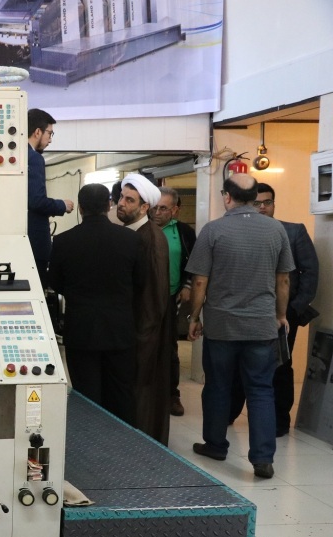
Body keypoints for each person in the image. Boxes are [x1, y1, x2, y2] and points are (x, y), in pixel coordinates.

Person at [185, 173, 294, 480]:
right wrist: (280, 315)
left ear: (227, 197)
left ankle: (215, 445)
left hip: (222, 326)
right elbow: (283, 279)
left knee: (218, 386)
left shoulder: (213, 230)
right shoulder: (275, 229)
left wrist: (194, 317)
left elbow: (200, 281)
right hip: (261, 326)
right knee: (261, 390)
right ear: (254, 197)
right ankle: (263, 459)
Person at [228, 182, 319, 435]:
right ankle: (230, 412)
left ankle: (279, 421)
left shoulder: (294, 232)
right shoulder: (238, 231)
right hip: (245, 312)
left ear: (274, 204)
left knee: (280, 367)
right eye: (256, 203)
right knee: (239, 364)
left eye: (267, 202)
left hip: (283, 315)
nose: (262, 207)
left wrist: (293, 309)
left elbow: (310, 272)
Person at [50, 183, 143, 424]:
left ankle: (90, 440)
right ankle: (124, 439)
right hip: (120, 329)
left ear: (80, 208)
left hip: (81, 329)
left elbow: (56, 283)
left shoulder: (63, 241)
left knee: (86, 396)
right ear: (109, 205)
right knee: (121, 393)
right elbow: (140, 282)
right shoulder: (131, 239)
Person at [116, 173, 171, 445]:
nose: (121, 203)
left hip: (145, 333)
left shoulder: (151, 238)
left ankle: (142, 445)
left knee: (144, 391)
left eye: (130, 200)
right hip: (134, 330)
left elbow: (154, 296)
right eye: (121, 197)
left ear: (144, 207)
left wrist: (143, 338)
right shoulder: (132, 234)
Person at [151, 187, 197, 416]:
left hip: (170, 298)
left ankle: (172, 396)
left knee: (169, 349)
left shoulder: (184, 232)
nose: (157, 212)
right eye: (155, 207)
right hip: (143, 300)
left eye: (163, 208)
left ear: (175, 210)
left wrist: (187, 286)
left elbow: (194, 262)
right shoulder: (141, 229)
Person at [27, 109, 74, 285]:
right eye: (49, 133)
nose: (50, 140)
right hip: (34, 242)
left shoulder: (17, 156)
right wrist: (62, 205)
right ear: (37, 132)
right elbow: (36, 201)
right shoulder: (34, 158)